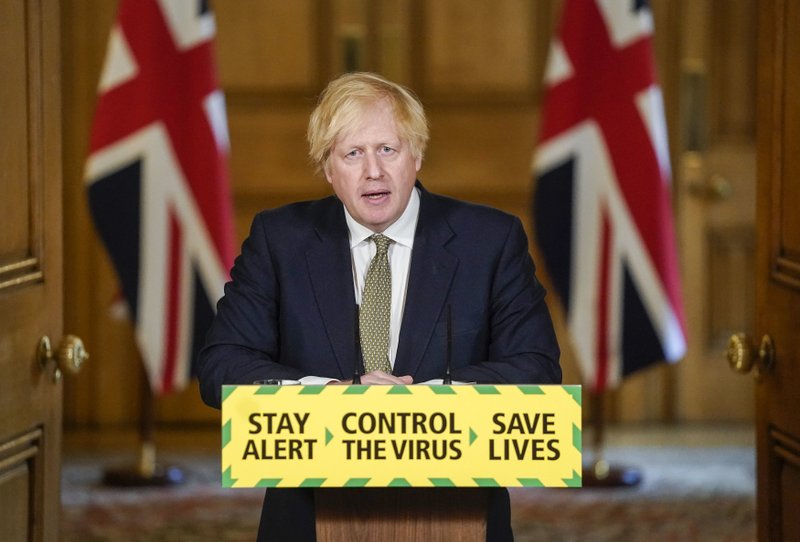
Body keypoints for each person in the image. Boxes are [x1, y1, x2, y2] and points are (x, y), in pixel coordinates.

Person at [197, 71, 561, 541]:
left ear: (417, 154)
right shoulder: (279, 240)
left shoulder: (489, 240)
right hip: (308, 516)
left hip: (458, 514)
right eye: (353, 154)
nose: (374, 171)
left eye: (388, 149)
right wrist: (332, 394)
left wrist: (420, 404)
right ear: (329, 168)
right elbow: (219, 367)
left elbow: (537, 370)